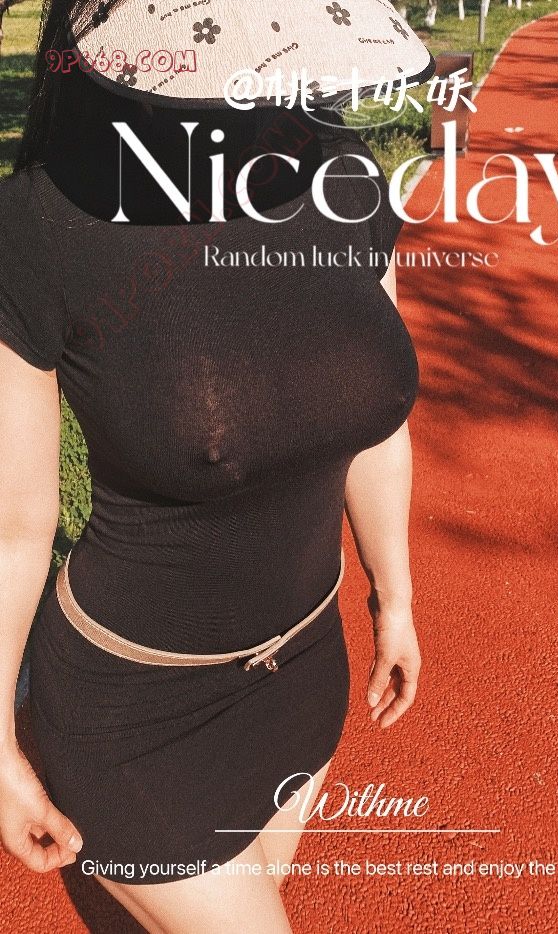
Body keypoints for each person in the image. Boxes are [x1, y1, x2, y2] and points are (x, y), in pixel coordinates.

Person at [0, 1, 433, 929]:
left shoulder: (346, 178)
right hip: (132, 713)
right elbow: (14, 530)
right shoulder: (43, 222)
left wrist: (393, 598)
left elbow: (373, 422)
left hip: (306, 670)